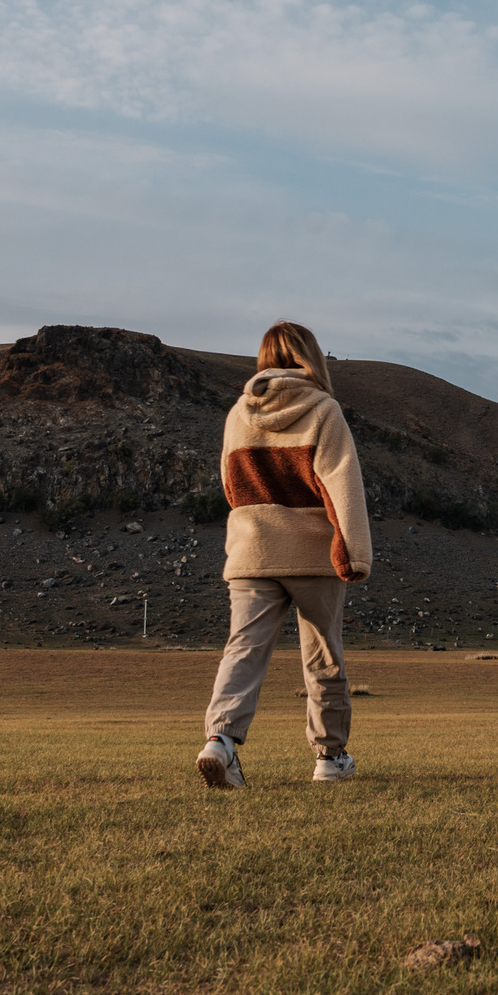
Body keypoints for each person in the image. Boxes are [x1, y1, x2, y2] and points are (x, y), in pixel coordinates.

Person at [195, 321, 373, 788]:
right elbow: (343, 486)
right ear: (311, 355)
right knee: (324, 658)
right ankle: (330, 759)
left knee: (244, 650)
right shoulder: (324, 410)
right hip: (312, 554)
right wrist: (355, 552)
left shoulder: (238, 414)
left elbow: (232, 487)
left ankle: (221, 741)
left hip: (252, 551)